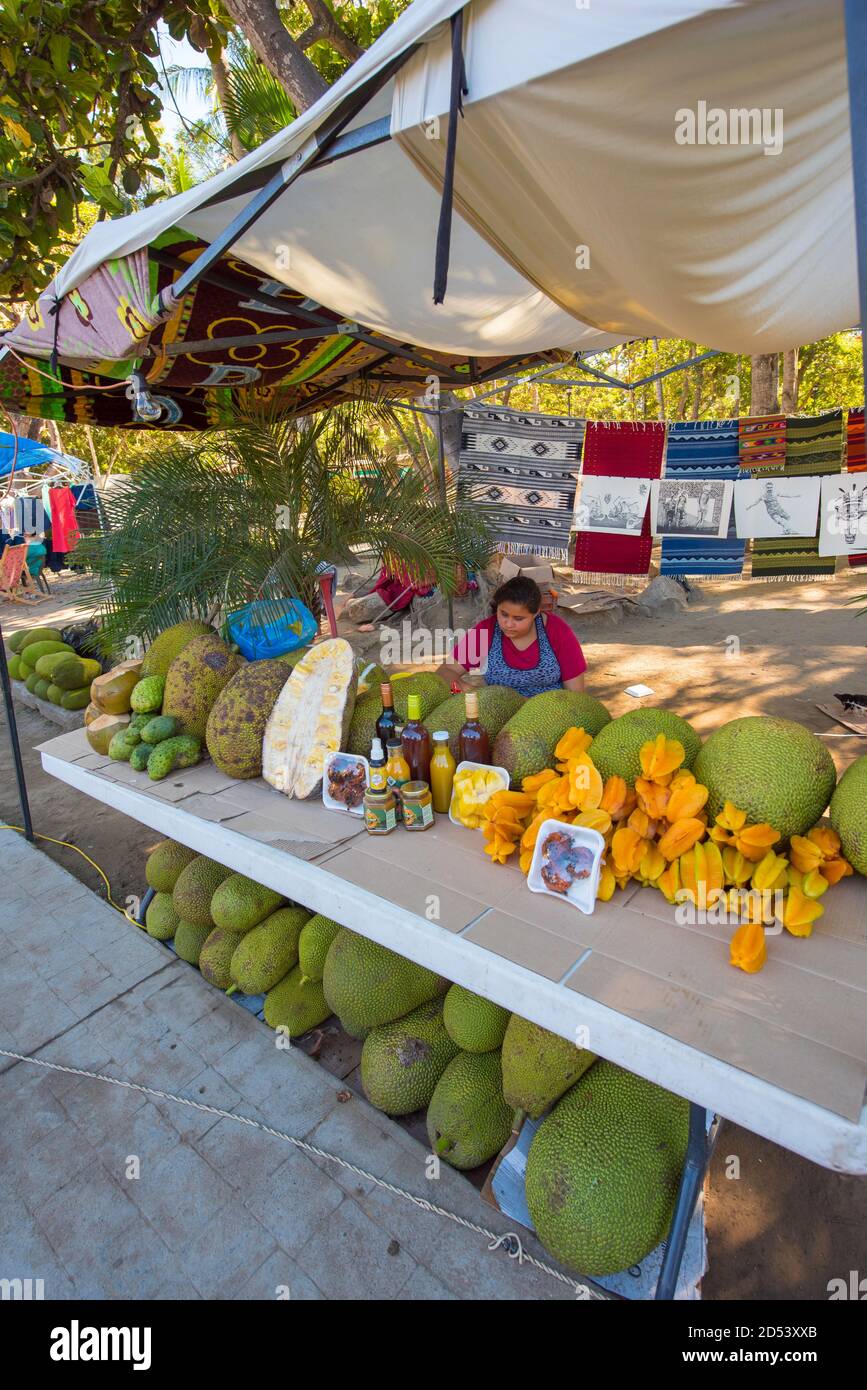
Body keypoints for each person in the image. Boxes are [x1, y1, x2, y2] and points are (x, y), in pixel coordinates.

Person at [438, 575, 587, 695]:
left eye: (518, 618)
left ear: (536, 613)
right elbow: (445, 673)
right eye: (503, 614)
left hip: (550, 717)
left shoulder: (558, 631)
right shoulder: (486, 631)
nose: (508, 624)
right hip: (497, 715)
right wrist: (471, 693)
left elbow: (576, 695)